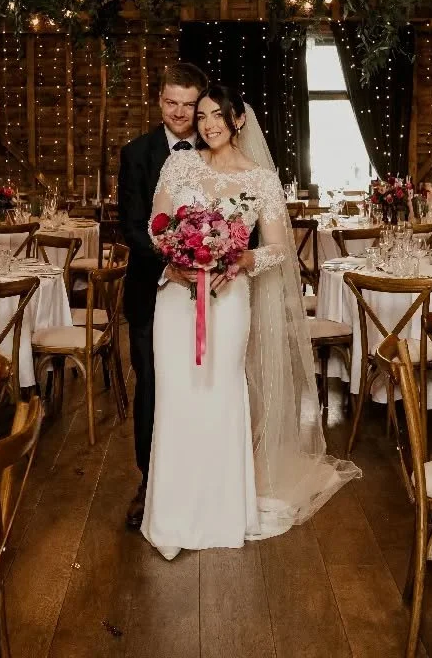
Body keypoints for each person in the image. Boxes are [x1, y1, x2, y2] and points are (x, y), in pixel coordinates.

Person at [141, 85, 359, 558]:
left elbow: (279, 248)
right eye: (201, 116)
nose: (208, 124)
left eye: (218, 115)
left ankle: (220, 513)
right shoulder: (180, 164)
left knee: (221, 394)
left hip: (229, 297)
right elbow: (157, 225)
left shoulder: (261, 179)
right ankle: (171, 517)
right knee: (176, 398)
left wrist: (239, 259)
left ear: (238, 120)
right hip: (177, 297)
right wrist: (178, 257)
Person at [117, 62, 210, 529]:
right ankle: (149, 480)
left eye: (188, 105)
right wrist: (170, 262)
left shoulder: (217, 152)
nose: (179, 112)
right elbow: (130, 226)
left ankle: (199, 478)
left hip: (212, 295)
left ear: (200, 104)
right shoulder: (136, 153)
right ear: (159, 100)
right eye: (170, 102)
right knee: (152, 386)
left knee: (203, 386)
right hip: (152, 292)